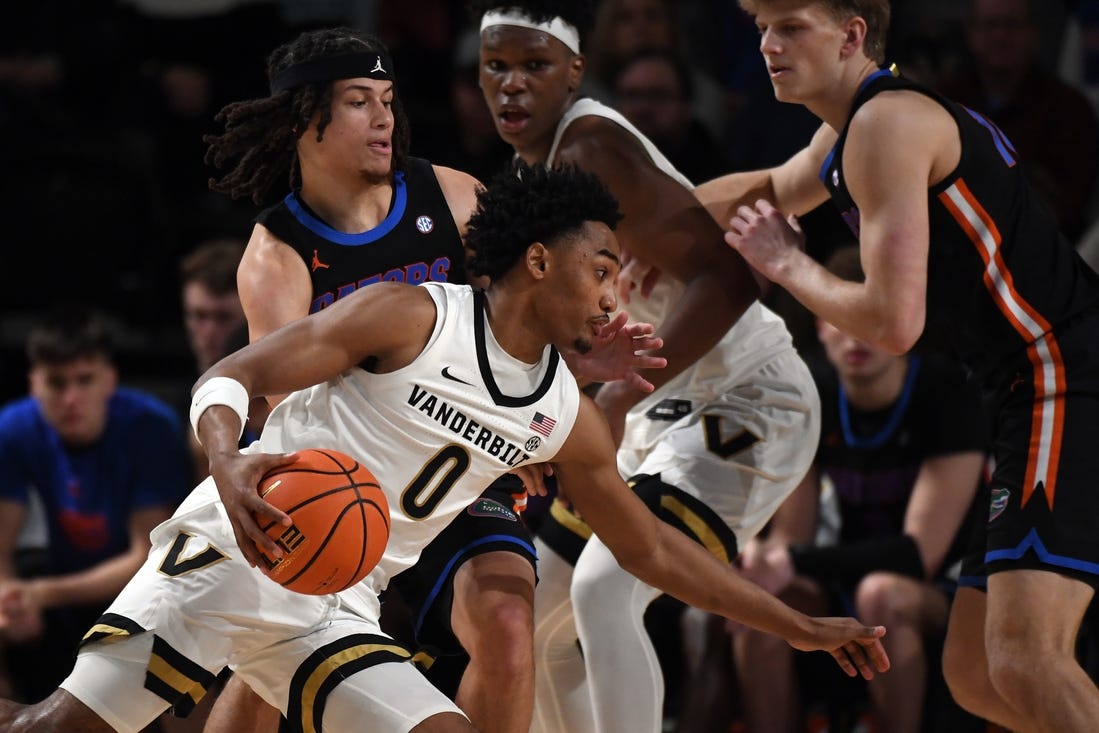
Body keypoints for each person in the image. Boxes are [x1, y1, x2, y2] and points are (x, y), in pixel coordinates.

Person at [0, 162, 890, 733]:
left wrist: (801, 626)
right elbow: (231, 373)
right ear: (538, 262)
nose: (617, 290)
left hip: (336, 597)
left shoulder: (558, 412)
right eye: (601, 265)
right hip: (236, 554)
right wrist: (228, 457)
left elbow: (652, 548)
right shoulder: (412, 314)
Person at [200, 26, 664, 733]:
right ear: (304, 120)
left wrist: (546, 392)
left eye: (387, 99)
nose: (384, 117)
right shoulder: (277, 256)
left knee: (509, 623)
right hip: (349, 476)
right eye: (359, 101)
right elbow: (299, 411)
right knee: (277, 654)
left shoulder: (448, 195)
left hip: (461, 470)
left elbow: (516, 321)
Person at [693, 1, 1099, 730]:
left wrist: (786, 265)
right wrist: (621, 215)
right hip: (1023, 386)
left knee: (1025, 660)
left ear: (851, 35)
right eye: (760, 27)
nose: (766, 44)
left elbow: (891, 322)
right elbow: (771, 189)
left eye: (789, 26)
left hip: (1060, 371)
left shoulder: (886, 124)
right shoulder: (853, 127)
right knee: (976, 670)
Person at [472, 3, 822, 731]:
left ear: (574, 73)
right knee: (532, 622)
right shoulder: (525, 178)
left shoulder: (591, 148)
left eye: (533, 67)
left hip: (745, 395)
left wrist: (615, 397)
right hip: (654, 409)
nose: (511, 86)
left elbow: (728, 280)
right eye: (495, 67)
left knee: (606, 588)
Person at [723, 245, 987, 733]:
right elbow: (792, 534)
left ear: (903, 325)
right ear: (821, 326)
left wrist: (795, 561)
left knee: (881, 595)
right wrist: (762, 563)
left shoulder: (948, 395)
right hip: (844, 572)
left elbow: (917, 557)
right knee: (765, 606)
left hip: (948, 589)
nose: (855, 336)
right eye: (841, 316)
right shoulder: (813, 392)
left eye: (872, 317)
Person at [0, 306, 189, 705]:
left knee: (183, 631)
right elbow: (2, 546)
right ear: (34, 384)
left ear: (109, 380)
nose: (71, 399)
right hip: (53, 583)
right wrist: (11, 601)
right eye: (56, 383)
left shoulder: (150, 428)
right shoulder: (13, 429)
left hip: (136, 595)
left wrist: (41, 594)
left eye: (84, 381)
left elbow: (147, 556)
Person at [938, 0, 1099, 243]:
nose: (1001, 35)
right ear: (971, 33)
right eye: (991, 25)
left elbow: (1067, 207)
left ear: (1033, 33)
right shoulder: (945, 100)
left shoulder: (1069, 109)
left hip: (1038, 254)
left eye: (1012, 25)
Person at [177, 238, 254, 481]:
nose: (209, 333)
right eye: (199, 316)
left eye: (223, 318)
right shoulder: (174, 402)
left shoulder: (283, 397)